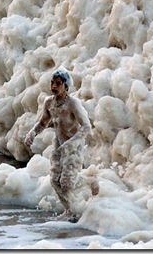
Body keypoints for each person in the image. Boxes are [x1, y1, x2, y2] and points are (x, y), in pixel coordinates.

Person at [24, 67, 99, 222]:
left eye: (58, 83)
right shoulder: (49, 103)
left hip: (74, 147)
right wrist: (32, 133)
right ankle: (70, 211)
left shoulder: (73, 103)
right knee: (55, 181)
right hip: (58, 145)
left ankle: (90, 181)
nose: (54, 86)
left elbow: (86, 126)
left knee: (67, 183)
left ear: (66, 87)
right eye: (52, 82)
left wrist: (71, 143)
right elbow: (43, 122)